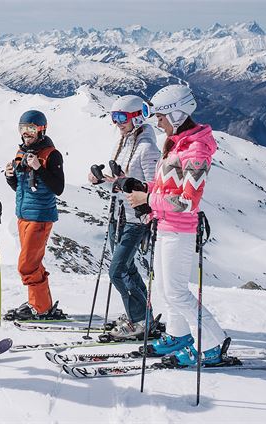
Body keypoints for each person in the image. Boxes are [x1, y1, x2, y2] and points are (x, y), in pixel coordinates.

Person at [127, 85, 226, 365]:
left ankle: (214, 343)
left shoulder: (196, 151)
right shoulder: (176, 144)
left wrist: (147, 197)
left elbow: (188, 201)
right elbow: (165, 187)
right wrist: (137, 187)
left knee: (177, 292)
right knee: (164, 289)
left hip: (180, 230)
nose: (157, 123)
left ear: (178, 115)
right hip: (165, 225)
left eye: (160, 117)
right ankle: (177, 335)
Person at [87, 95, 160, 340]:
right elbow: (121, 182)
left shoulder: (147, 148)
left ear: (137, 117)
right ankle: (141, 317)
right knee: (126, 269)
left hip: (134, 219)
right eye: (114, 117)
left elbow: (152, 188)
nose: (117, 123)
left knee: (117, 271)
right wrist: (101, 180)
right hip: (118, 215)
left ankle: (139, 321)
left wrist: (124, 185)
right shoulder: (125, 142)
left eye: (121, 118)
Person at [3, 110, 66, 321]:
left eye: (31, 129)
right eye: (23, 129)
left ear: (41, 130)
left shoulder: (51, 154)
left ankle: (40, 307)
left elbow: (58, 188)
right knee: (34, 263)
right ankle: (40, 304)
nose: (26, 133)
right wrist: (10, 176)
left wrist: (39, 168)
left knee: (27, 265)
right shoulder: (21, 152)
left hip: (40, 216)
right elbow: (20, 188)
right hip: (23, 215)